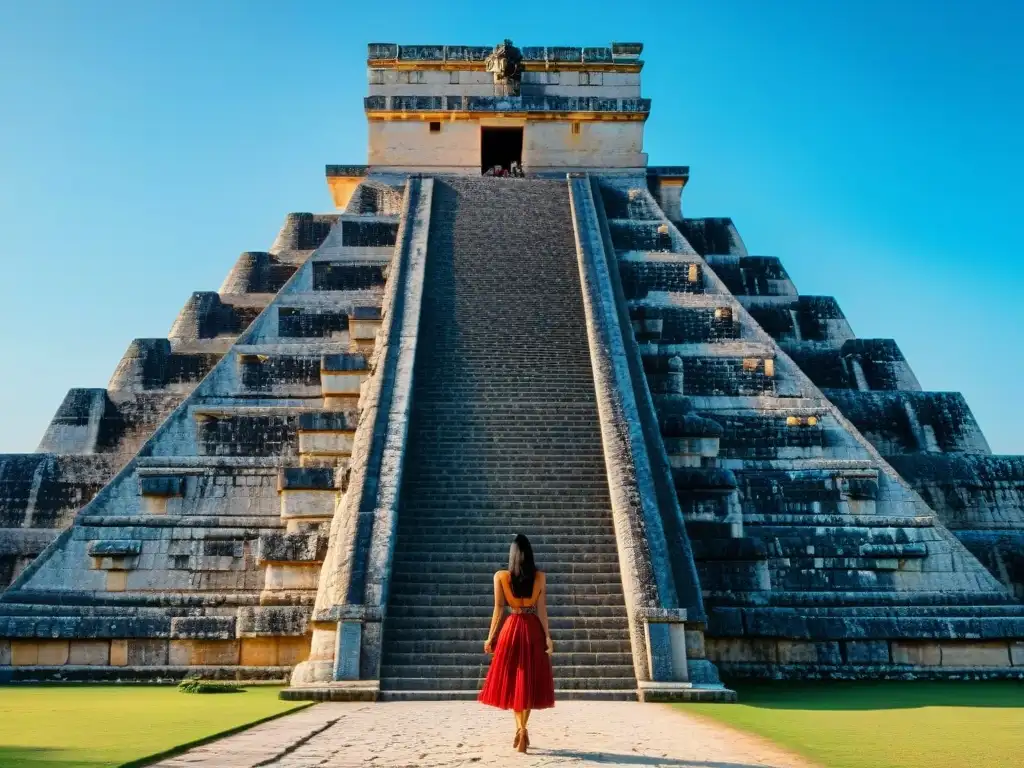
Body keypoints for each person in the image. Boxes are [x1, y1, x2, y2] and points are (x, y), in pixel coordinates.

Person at [478, 533, 555, 753]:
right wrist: (548, 636)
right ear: (530, 555)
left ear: (511, 555)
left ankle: (519, 729)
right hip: (532, 629)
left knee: (514, 682)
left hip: (511, 629)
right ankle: (523, 728)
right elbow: (542, 610)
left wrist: (491, 636)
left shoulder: (500, 576)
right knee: (528, 682)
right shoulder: (540, 577)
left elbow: (499, 608)